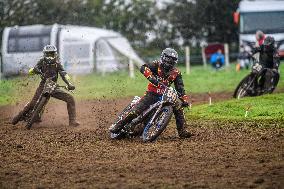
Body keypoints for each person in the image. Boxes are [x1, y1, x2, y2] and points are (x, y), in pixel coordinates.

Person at [109, 48, 192, 138]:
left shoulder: (176, 73)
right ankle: (118, 125)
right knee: (136, 111)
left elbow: (180, 88)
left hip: (164, 96)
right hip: (151, 95)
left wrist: (184, 100)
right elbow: (143, 67)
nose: (169, 62)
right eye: (168, 59)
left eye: (172, 60)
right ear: (163, 58)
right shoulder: (156, 65)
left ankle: (182, 131)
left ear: (175, 62)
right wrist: (151, 77)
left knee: (178, 107)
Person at [11, 45, 80, 127]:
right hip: (43, 85)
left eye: (52, 54)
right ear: (45, 54)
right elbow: (34, 69)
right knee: (33, 103)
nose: (50, 56)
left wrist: (69, 83)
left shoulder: (57, 64)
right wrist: (36, 70)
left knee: (70, 98)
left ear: (55, 54)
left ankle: (72, 121)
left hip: (53, 86)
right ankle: (20, 115)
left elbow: (64, 74)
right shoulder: (42, 61)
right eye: (48, 54)